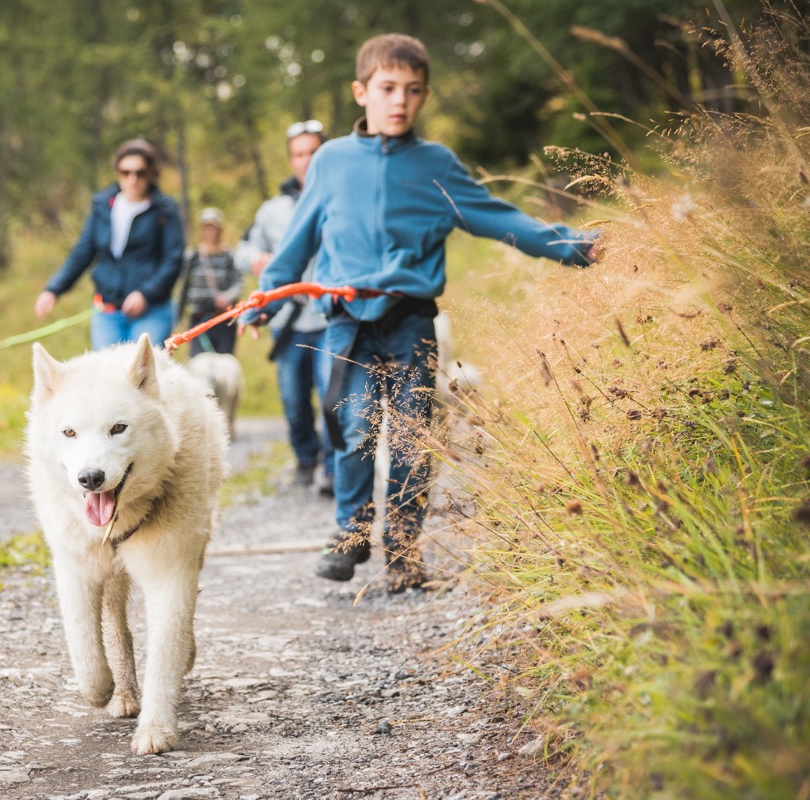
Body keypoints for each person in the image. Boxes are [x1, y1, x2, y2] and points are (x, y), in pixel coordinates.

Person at [241, 34, 600, 589]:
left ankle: (405, 552)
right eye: (387, 89)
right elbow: (298, 239)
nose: (399, 101)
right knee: (355, 427)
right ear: (361, 92)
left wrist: (572, 246)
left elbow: (498, 216)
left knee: (413, 438)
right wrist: (267, 294)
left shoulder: (436, 166)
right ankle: (351, 534)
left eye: (412, 91)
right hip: (347, 323)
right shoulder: (332, 162)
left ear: (425, 95)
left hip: (411, 322)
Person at [236, 120, 334, 494]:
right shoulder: (272, 210)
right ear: (290, 160)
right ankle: (305, 461)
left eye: (312, 152)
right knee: (294, 400)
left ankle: (333, 470)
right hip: (288, 318)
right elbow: (241, 251)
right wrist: (257, 258)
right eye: (298, 154)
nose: (305, 160)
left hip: (330, 317)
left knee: (333, 397)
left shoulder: (340, 200)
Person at [35, 138, 185, 351]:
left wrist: (145, 294)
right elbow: (82, 253)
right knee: (108, 376)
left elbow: (173, 260)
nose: (132, 179)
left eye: (139, 173)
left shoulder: (165, 210)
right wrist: (53, 289)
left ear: (151, 172)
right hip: (107, 311)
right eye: (125, 173)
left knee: (141, 373)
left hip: (152, 310)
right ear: (118, 172)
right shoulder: (102, 206)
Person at [178, 208, 244, 356]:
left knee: (223, 362)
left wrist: (227, 297)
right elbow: (185, 287)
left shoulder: (228, 256)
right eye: (207, 228)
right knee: (200, 361)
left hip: (222, 317)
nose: (210, 232)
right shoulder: (192, 256)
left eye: (213, 228)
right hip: (198, 316)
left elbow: (238, 282)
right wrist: (179, 315)